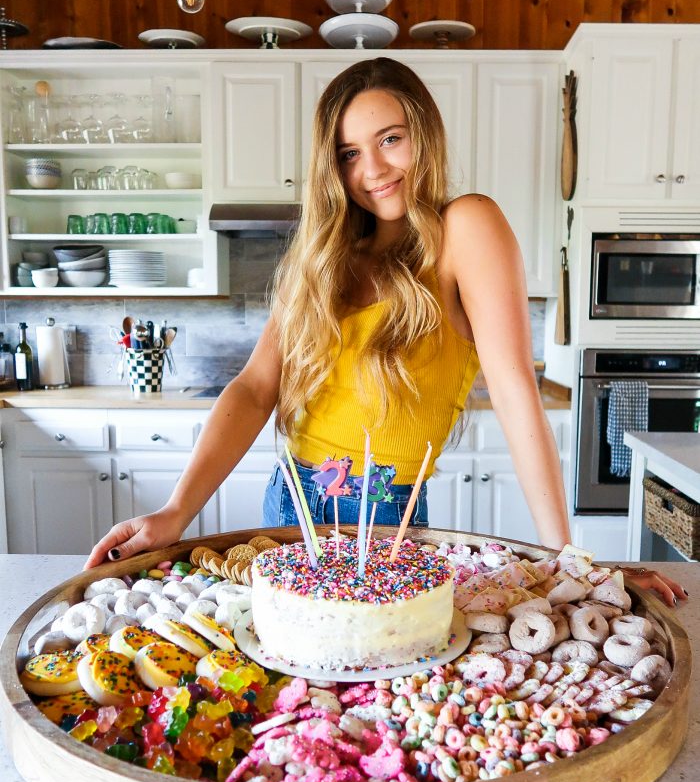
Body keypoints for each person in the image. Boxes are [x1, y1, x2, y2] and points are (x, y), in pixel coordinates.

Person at [85, 58, 685, 608]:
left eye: (389, 140)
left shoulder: (465, 227)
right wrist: (175, 511)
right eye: (348, 154)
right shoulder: (321, 256)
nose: (372, 170)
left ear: (424, 133)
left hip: (385, 514)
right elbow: (254, 389)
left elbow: (512, 390)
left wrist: (567, 559)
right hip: (287, 502)